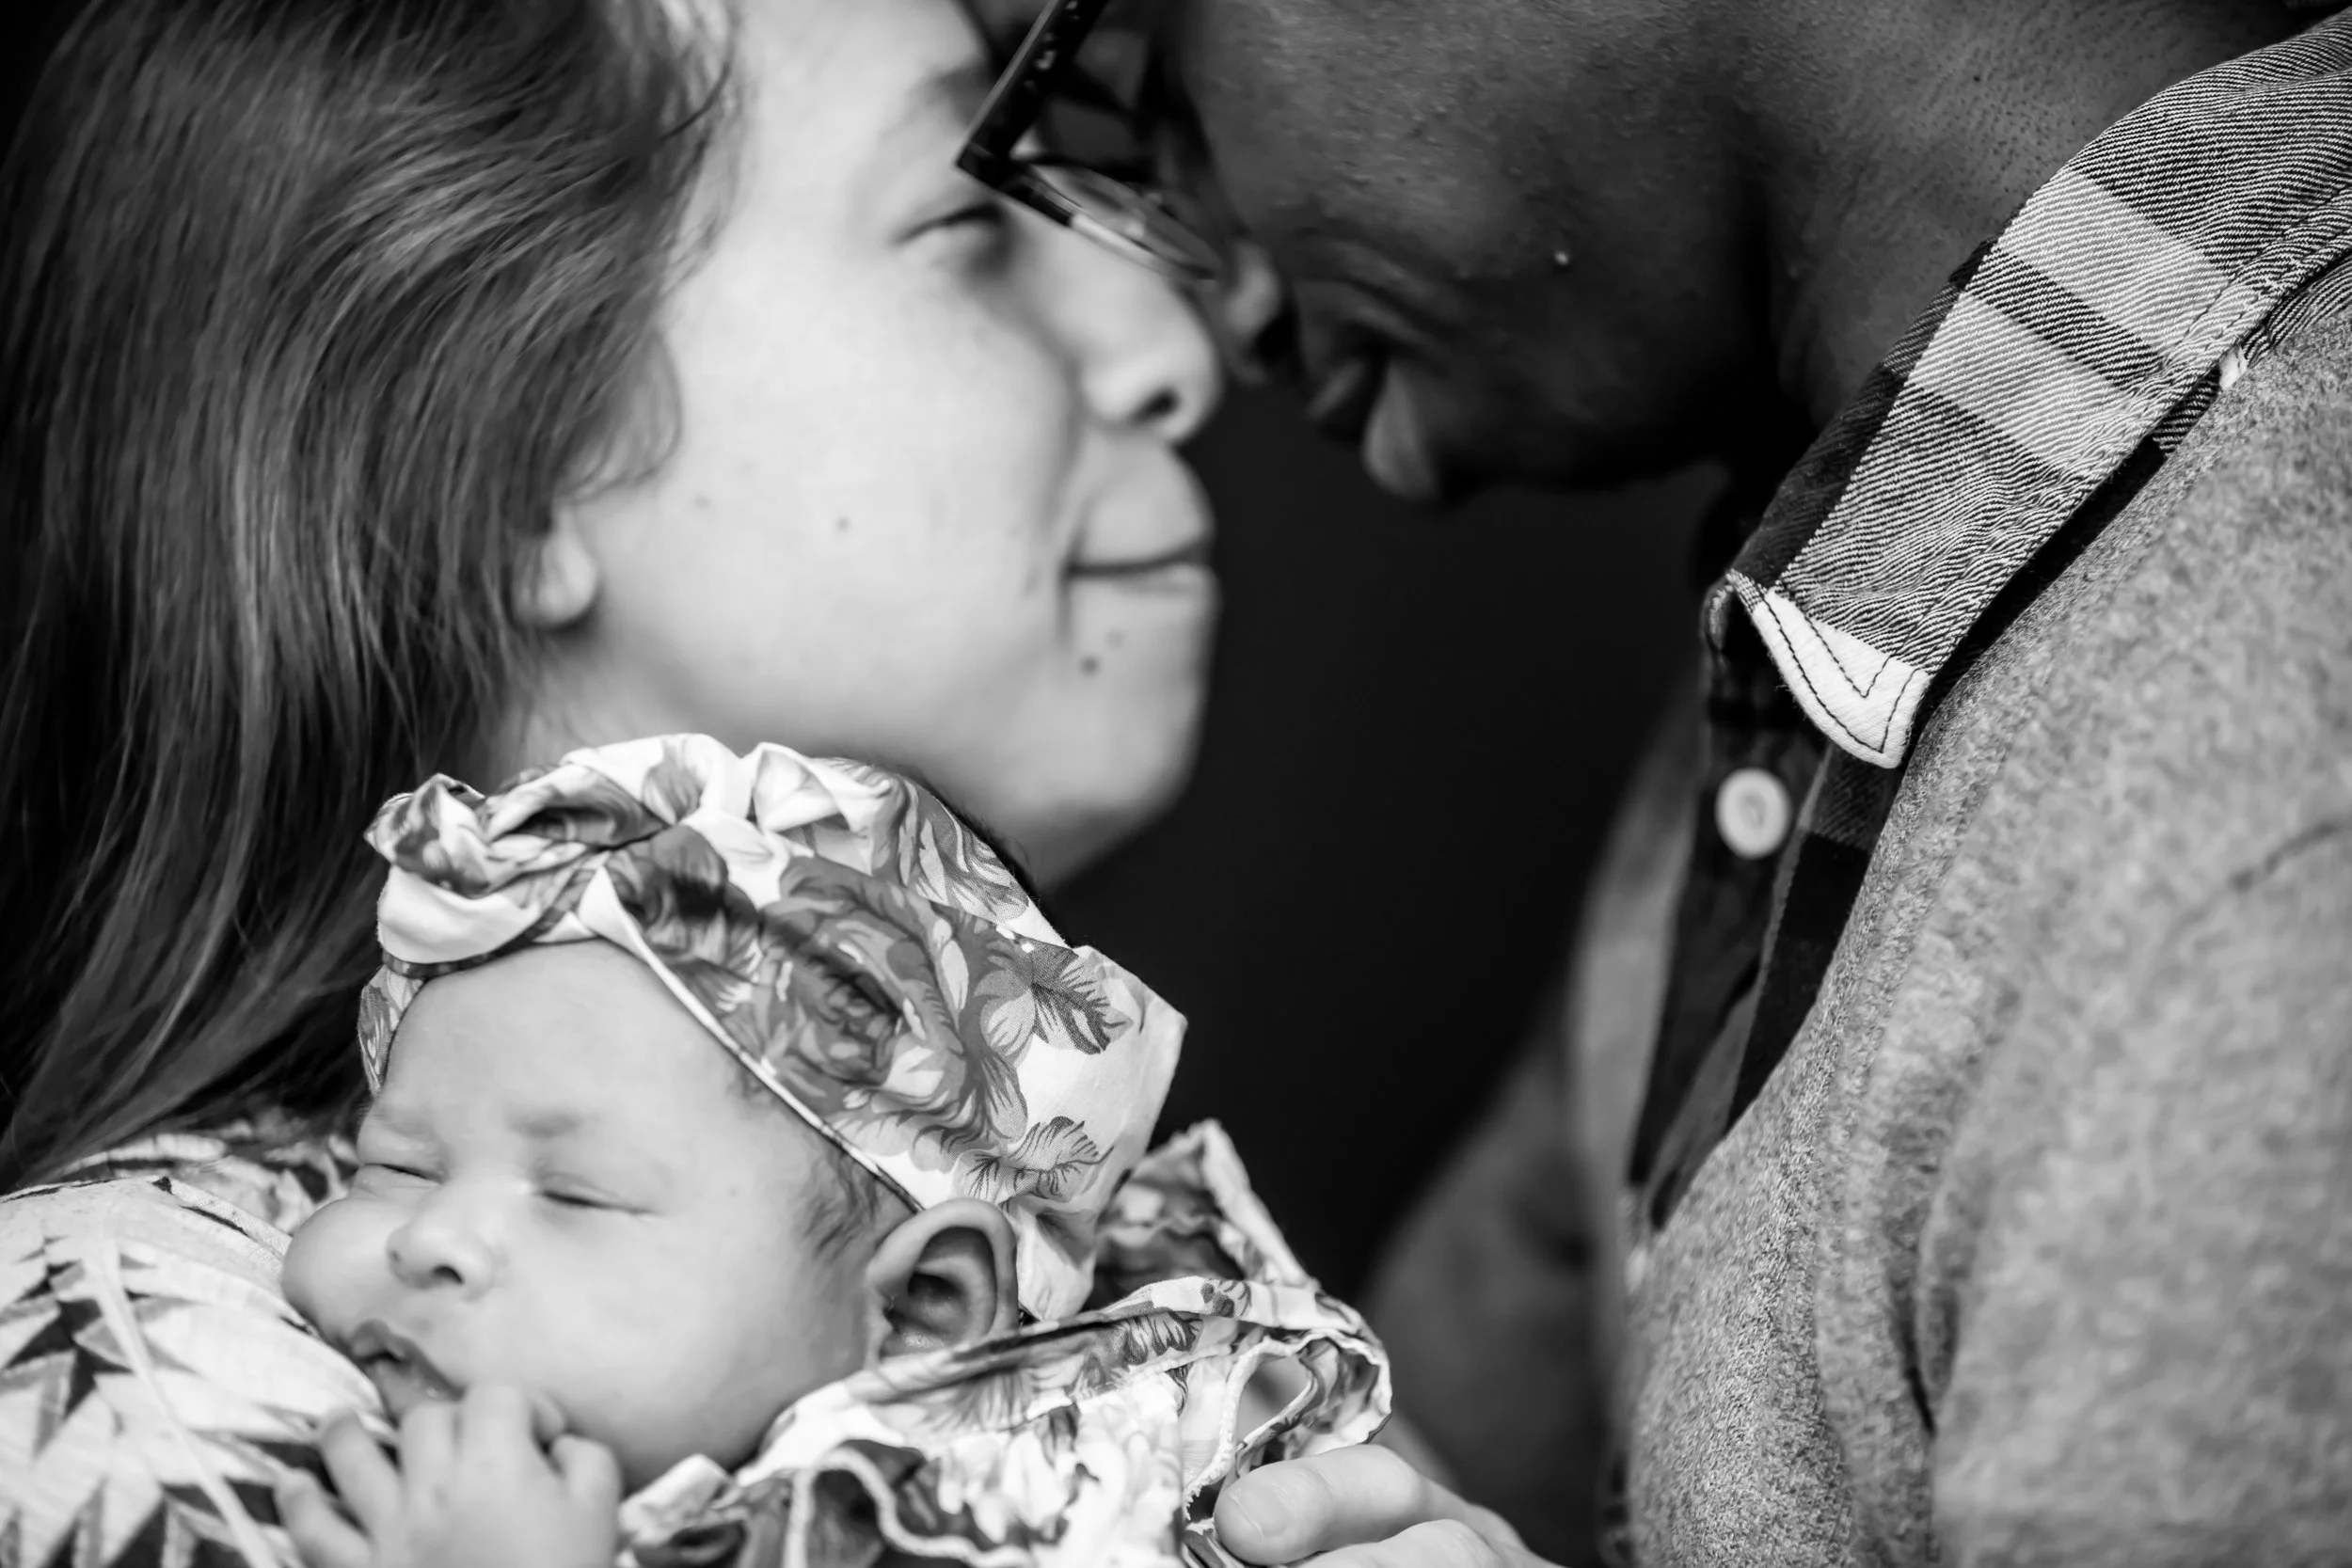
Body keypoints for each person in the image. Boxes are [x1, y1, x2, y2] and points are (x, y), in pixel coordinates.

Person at [950, 0, 2352, 1562]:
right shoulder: (1845, 619)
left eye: (1146, 93)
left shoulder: (2261, 828)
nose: (1211, 312)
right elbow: (1426, 1467)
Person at [0, 0, 1221, 1560]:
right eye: (968, 219)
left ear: (934, 1293)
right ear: (518, 460)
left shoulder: (1160, 1335)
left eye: (579, 1192)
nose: (1170, 347)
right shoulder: (166, 1393)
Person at [259, 735, 1383, 1568]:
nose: (429, 1235)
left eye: (576, 1193)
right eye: (394, 1164)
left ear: (922, 1309)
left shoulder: (1015, 1518)